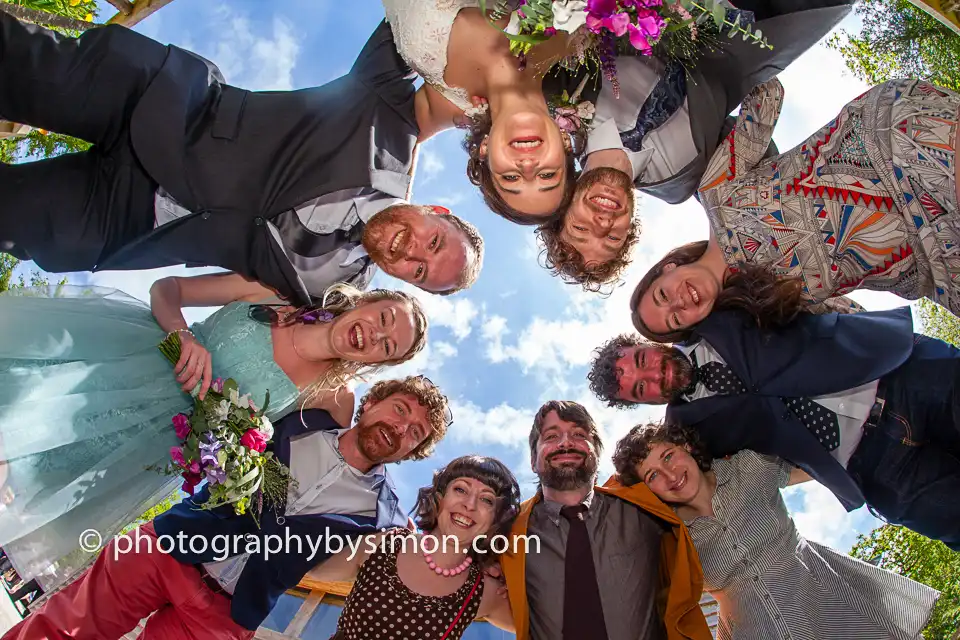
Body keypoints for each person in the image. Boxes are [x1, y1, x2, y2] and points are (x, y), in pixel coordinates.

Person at [0, 13, 483, 306]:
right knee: (14, 66)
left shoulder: (335, 290)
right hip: (158, 105)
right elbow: (426, 21)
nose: (413, 255)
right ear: (436, 212)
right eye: (434, 244)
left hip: (122, 222)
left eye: (419, 272)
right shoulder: (389, 121)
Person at [0, 274, 428, 595]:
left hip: (144, 447)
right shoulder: (276, 291)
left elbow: (333, 465)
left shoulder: (333, 400)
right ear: (369, 301)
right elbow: (167, 289)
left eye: (388, 346)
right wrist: (182, 335)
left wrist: (394, 525)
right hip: (115, 368)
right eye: (384, 318)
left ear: (379, 362)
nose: (376, 335)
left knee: (26, 494)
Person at [1, 375, 452, 639]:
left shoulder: (386, 519)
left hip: (227, 614)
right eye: (399, 409)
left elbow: (335, 570)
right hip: (169, 548)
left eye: (415, 433)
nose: (401, 428)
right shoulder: (303, 414)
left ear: (412, 453)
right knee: (62, 630)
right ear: (371, 403)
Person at [535, 0, 858, 291]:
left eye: (580, 227)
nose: (603, 223)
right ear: (629, 228)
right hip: (769, 23)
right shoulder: (682, 184)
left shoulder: (558, 101)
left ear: (563, 202)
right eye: (612, 237)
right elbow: (759, 165)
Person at [586, 306, 960, 550]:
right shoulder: (683, 435)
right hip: (880, 470)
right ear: (642, 403)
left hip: (905, 377)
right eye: (640, 388)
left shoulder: (710, 309)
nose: (654, 374)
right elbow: (660, 496)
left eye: (641, 360)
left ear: (647, 343)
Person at [631, 76, 960, 342]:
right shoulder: (770, 307)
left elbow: (767, 96)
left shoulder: (717, 192)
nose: (679, 302)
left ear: (668, 268)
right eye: (675, 318)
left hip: (894, 150)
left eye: (663, 295)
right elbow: (860, 331)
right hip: (932, 260)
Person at [612, 421, 941, 640]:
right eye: (652, 475)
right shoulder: (670, 537)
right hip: (753, 630)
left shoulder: (749, 466)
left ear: (686, 447)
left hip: (829, 603)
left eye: (668, 455)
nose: (670, 475)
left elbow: (823, 461)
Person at [498, 400, 712, 640]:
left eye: (579, 434)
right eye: (550, 436)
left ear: (597, 453)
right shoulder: (506, 532)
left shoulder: (644, 506)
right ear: (533, 459)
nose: (565, 443)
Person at [381, 0, 588, 223]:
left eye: (510, 178)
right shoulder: (572, 38)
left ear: (485, 150)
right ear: (565, 143)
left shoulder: (444, 103)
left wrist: (402, 214)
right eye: (548, 175)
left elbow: (396, 140)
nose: (528, 167)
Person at [309, 454, 519, 638]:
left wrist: (516, 576)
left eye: (487, 500)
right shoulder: (382, 544)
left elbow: (544, 628)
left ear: (496, 519)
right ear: (439, 496)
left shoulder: (485, 592)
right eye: (460, 489)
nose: (470, 504)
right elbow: (309, 567)